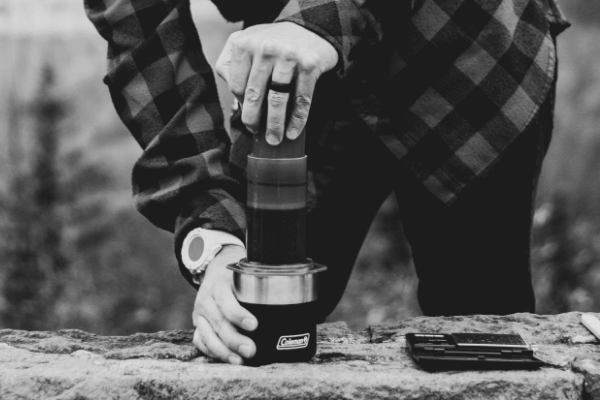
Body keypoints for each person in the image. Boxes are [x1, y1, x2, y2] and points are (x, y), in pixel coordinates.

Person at [85, 0, 570, 365]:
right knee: (258, 326)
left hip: (463, 51)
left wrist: (318, 19)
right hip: (296, 85)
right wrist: (213, 235)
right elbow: (147, 43)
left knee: (479, 326)